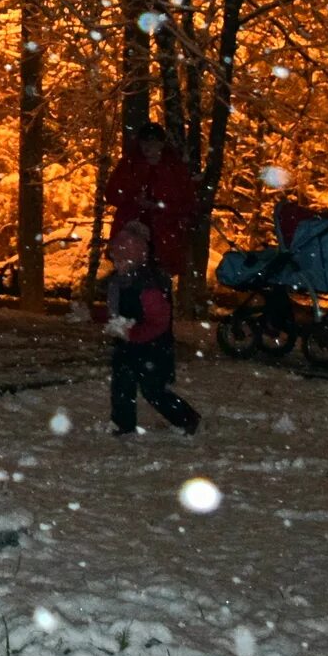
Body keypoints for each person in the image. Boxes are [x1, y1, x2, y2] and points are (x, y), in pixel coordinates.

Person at [95, 217, 202, 437]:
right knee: (122, 384)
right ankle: (122, 424)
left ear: (137, 258)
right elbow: (114, 310)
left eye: (123, 260)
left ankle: (186, 418)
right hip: (127, 344)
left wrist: (133, 333)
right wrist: (94, 316)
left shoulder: (148, 285)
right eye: (116, 259)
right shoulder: (118, 282)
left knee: (153, 390)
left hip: (153, 347)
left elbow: (159, 322)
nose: (118, 265)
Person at [102, 121, 203, 277]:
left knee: (157, 285)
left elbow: (187, 204)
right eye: (145, 142)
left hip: (163, 238)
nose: (148, 147)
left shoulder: (173, 168)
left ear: (161, 143)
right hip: (132, 236)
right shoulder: (130, 164)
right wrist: (134, 199)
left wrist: (159, 206)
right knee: (129, 281)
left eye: (153, 142)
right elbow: (112, 193)